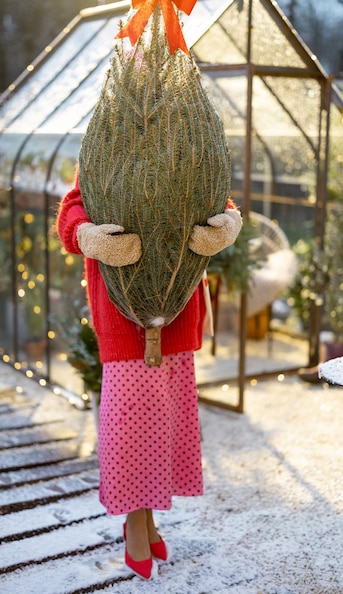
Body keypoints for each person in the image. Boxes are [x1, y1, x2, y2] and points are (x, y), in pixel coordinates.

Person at [57, 168, 242, 580]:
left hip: (176, 307)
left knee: (163, 426)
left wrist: (228, 222)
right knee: (131, 430)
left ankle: (147, 521)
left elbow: (214, 196)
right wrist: (87, 235)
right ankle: (136, 526)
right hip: (123, 317)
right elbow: (72, 207)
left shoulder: (181, 130)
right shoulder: (110, 134)